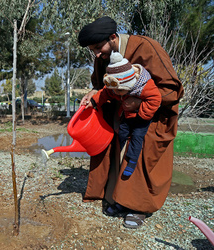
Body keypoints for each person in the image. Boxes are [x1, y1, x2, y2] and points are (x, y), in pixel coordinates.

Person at [77, 16, 184, 229]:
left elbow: (172, 90)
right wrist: (93, 92)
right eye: (93, 50)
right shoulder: (102, 57)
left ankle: (137, 207)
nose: (97, 54)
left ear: (113, 37)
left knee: (139, 155)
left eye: (99, 47)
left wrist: (139, 101)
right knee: (117, 154)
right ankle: (119, 199)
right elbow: (101, 85)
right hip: (121, 116)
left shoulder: (146, 47)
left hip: (150, 116)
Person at [88, 52, 161, 177]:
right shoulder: (116, 88)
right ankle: (122, 147)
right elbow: (105, 93)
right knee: (122, 132)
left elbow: (155, 100)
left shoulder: (145, 86)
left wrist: (141, 115)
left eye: (120, 90)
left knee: (137, 137)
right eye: (115, 90)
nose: (116, 93)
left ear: (129, 83)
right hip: (127, 115)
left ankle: (132, 160)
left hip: (142, 117)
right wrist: (94, 102)